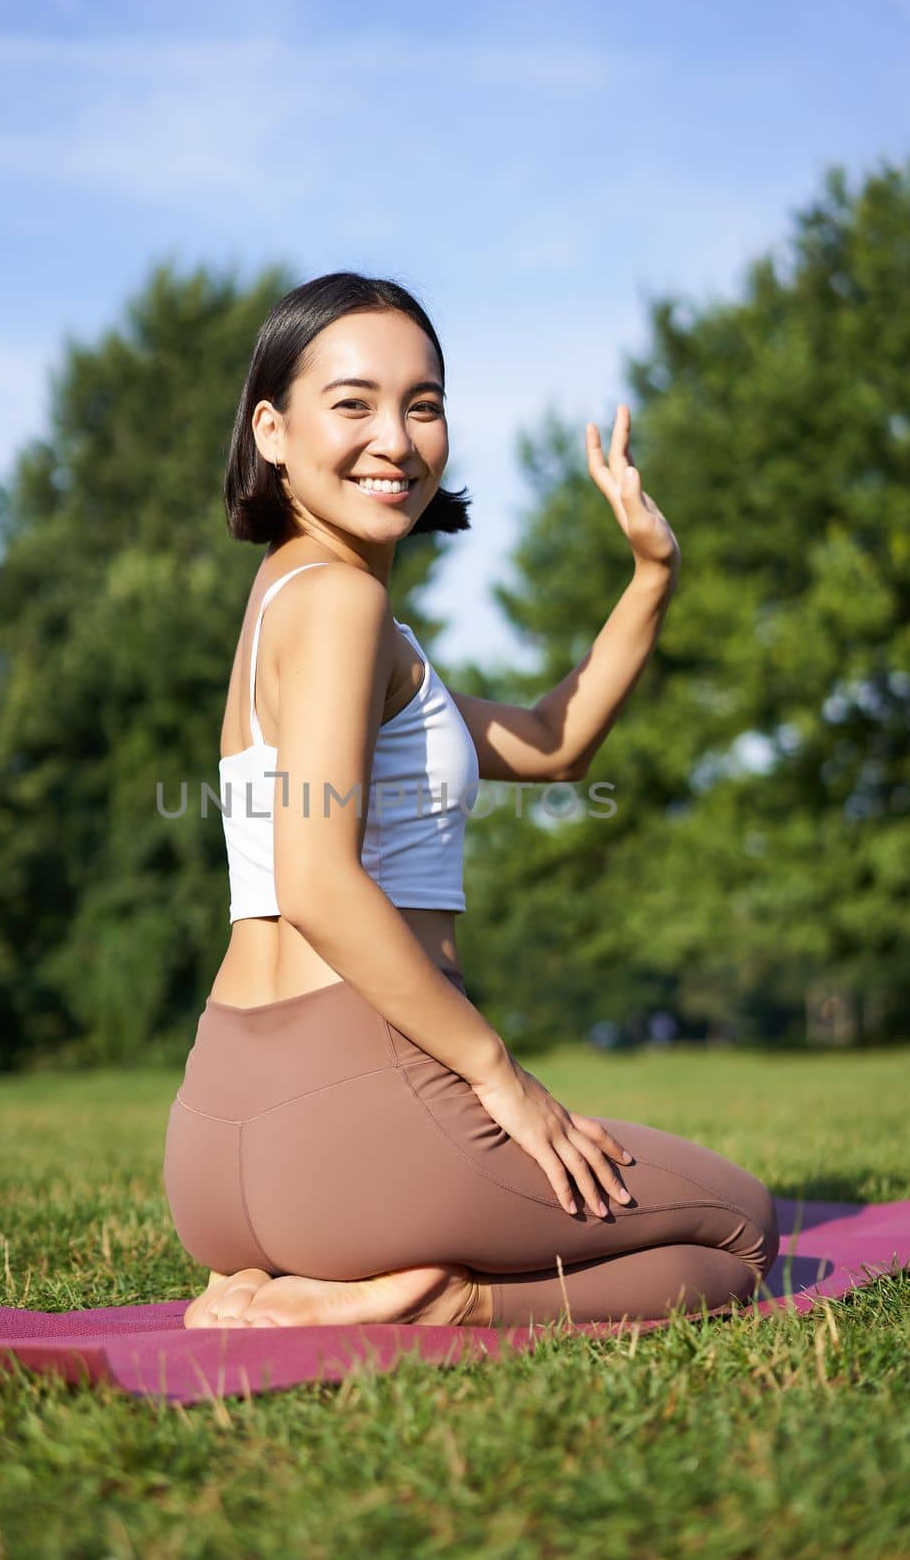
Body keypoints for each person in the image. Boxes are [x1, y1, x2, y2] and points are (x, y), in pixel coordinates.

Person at [163, 271, 779, 1331]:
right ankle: (441, 1299)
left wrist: (648, 573)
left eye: (423, 402)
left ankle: (293, 1277)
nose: (394, 438)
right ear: (271, 430)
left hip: (218, 1144)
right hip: (354, 1124)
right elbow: (313, 877)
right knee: (742, 1229)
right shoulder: (344, 602)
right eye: (351, 403)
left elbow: (548, 743)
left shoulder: (289, 598)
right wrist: (500, 1076)